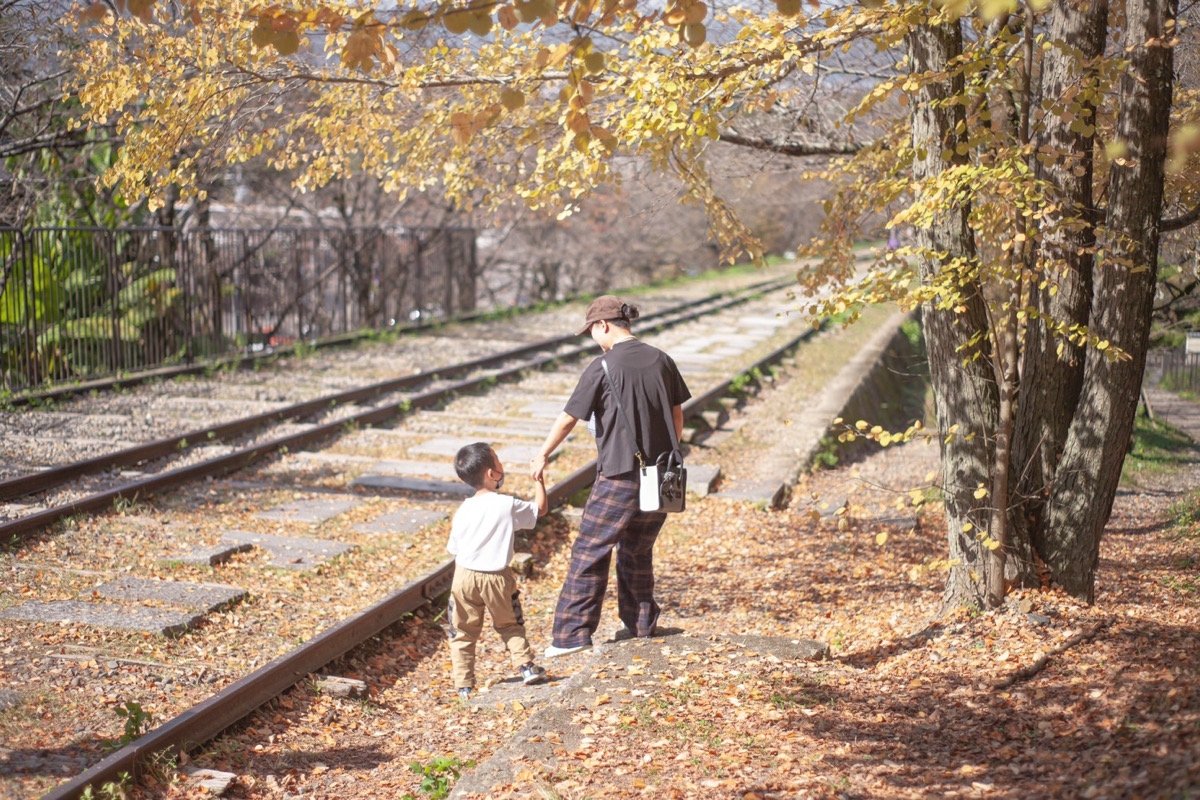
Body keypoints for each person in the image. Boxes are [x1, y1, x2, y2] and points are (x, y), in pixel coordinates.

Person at [530, 295, 690, 658]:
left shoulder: (602, 366)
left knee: (590, 550)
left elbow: (570, 416)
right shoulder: (662, 360)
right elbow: (677, 414)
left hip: (619, 474)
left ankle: (570, 636)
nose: (591, 337)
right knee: (637, 550)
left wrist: (543, 453)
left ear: (603, 325)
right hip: (662, 476)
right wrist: (663, 455)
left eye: (590, 330)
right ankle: (640, 625)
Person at [446, 442, 550, 699]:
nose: (502, 465)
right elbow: (541, 509)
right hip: (496, 577)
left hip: (463, 575)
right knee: (509, 624)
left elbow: (454, 548)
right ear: (492, 474)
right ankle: (526, 667)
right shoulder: (506, 504)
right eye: (498, 460)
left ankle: (464, 685)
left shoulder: (463, 510)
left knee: (462, 631)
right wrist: (539, 479)